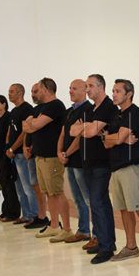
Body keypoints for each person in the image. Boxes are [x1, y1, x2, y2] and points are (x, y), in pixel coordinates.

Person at [104, 79, 139, 266]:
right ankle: (131, 247)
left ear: (129, 94)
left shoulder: (134, 112)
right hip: (116, 167)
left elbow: (118, 138)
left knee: (138, 207)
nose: (114, 94)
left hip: (131, 167)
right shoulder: (116, 115)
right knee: (124, 209)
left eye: (118, 91)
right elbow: (106, 142)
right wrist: (116, 138)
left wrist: (116, 138)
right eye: (113, 91)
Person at [70, 74, 119, 264]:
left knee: (98, 202)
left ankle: (106, 246)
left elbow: (89, 132)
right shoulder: (90, 109)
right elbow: (72, 130)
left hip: (101, 163)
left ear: (101, 87)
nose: (87, 89)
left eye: (90, 86)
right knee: (98, 203)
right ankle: (103, 241)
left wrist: (85, 127)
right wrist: (87, 127)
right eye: (86, 86)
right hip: (87, 163)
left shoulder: (108, 107)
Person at [23, 78, 71, 242]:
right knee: (49, 193)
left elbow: (34, 125)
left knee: (57, 192)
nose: (37, 91)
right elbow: (26, 126)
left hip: (52, 156)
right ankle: (54, 225)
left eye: (39, 88)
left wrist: (32, 123)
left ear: (46, 89)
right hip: (40, 156)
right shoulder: (40, 108)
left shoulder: (56, 105)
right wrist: (31, 123)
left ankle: (67, 228)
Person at [57, 79, 93, 244]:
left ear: (85, 90)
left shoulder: (88, 110)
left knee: (88, 199)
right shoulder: (69, 111)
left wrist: (66, 153)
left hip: (80, 161)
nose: (70, 91)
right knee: (78, 199)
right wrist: (59, 152)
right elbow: (63, 133)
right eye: (70, 88)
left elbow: (80, 137)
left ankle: (97, 234)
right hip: (69, 161)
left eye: (74, 88)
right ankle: (83, 230)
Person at [5, 84, 39, 225]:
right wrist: (8, 146)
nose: (9, 94)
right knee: (19, 188)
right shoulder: (14, 111)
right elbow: (10, 130)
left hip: (21, 154)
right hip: (13, 154)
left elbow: (24, 133)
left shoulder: (27, 109)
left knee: (28, 187)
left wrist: (13, 148)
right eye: (9, 91)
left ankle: (34, 215)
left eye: (12, 91)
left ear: (20, 93)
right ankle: (25, 214)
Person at [0, 95, 20, 221]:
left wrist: (8, 149)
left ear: (4, 104)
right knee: (3, 184)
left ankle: (13, 212)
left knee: (8, 184)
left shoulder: (8, 117)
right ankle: (6, 210)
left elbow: (8, 135)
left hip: (4, 155)